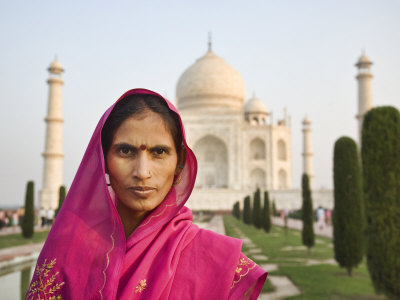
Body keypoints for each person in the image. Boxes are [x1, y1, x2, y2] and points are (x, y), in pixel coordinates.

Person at [26, 89, 267, 299]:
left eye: (159, 152)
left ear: (179, 163)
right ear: (103, 160)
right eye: (125, 150)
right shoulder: (68, 251)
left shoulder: (219, 260)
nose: (142, 172)